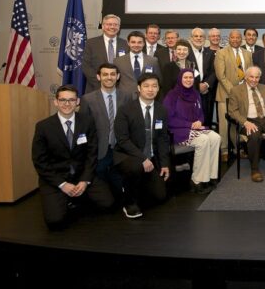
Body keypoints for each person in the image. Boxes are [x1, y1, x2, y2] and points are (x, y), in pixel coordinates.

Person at [32, 85, 114, 229]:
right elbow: (40, 162)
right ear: (56, 102)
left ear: (77, 102)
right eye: (63, 100)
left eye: (71, 100)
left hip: (81, 174)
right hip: (56, 178)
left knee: (108, 203)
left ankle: (77, 197)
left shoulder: (87, 122)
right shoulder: (43, 127)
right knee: (55, 220)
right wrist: (63, 185)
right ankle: (67, 197)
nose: (67, 104)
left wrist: (84, 180)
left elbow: (91, 154)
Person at [113, 73, 170, 219]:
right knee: (136, 167)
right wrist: (143, 158)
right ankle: (129, 202)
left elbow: (163, 138)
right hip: (128, 156)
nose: (150, 89)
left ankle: (138, 184)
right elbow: (122, 140)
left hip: (151, 158)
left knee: (160, 196)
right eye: (146, 86)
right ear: (139, 88)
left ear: (158, 89)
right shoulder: (125, 109)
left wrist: (164, 164)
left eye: (154, 86)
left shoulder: (161, 110)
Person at [163, 69, 221, 193]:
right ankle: (196, 181)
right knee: (203, 140)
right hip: (177, 130)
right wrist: (190, 124)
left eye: (191, 77)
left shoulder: (195, 93)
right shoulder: (172, 95)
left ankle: (210, 176)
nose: (188, 80)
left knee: (216, 137)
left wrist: (200, 121)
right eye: (185, 77)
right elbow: (168, 119)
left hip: (194, 128)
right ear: (180, 79)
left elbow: (201, 114)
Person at [79, 63, 133, 194]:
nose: (109, 77)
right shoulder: (87, 99)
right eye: (105, 74)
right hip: (99, 150)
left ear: (118, 76)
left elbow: (130, 124)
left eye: (113, 74)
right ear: (98, 77)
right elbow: (83, 128)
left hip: (121, 149)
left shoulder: (126, 96)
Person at [227, 66, 265, 182]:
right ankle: (255, 169)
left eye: (257, 77)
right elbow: (232, 111)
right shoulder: (236, 90)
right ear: (246, 77)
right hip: (248, 119)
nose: (254, 80)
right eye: (251, 77)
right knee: (254, 134)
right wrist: (245, 122)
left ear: (260, 78)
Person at [214, 29, 252, 159]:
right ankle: (224, 150)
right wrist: (234, 91)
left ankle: (237, 148)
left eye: (238, 38)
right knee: (225, 124)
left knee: (239, 122)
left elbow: (250, 74)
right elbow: (221, 76)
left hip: (243, 94)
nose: (235, 40)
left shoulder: (247, 54)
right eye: (233, 37)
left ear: (241, 39)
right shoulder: (221, 53)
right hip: (225, 94)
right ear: (229, 39)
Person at [82, 14, 128, 93]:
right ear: (103, 26)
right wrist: (103, 83)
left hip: (119, 90)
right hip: (95, 89)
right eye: (109, 24)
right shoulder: (91, 43)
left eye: (115, 25)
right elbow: (86, 67)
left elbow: (127, 68)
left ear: (119, 27)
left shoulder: (126, 44)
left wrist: (116, 83)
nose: (112, 27)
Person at [115, 30, 162, 96]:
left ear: (144, 43)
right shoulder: (118, 61)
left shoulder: (153, 61)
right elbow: (115, 82)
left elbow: (158, 81)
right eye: (133, 42)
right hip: (124, 98)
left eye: (139, 42)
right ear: (128, 43)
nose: (136, 45)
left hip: (146, 97)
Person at [187, 27, 217, 127]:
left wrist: (206, 84)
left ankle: (207, 141)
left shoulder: (211, 53)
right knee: (192, 121)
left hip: (207, 93)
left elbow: (214, 72)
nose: (199, 38)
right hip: (191, 93)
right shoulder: (186, 53)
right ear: (191, 38)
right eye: (196, 36)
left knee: (206, 120)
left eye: (201, 36)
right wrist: (197, 86)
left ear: (205, 39)